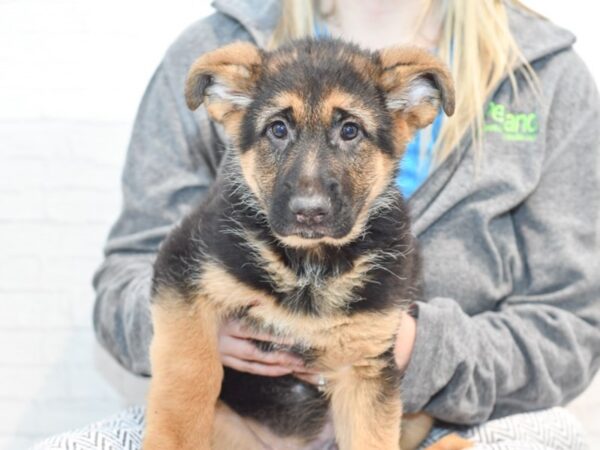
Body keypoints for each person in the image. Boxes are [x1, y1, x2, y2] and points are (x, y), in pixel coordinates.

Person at [36, 0, 600, 449]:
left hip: (440, 415)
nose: (309, 192)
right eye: (278, 131)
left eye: (349, 133)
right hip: (238, 418)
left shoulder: (543, 74)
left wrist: (417, 349)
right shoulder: (216, 49)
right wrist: (204, 343)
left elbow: (572, 327)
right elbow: (135, 274)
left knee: (554, 440)